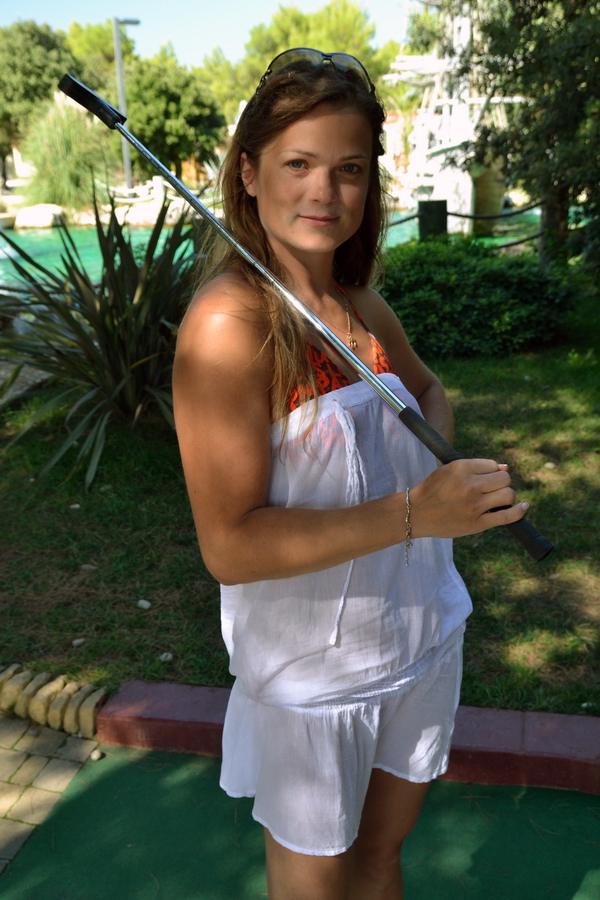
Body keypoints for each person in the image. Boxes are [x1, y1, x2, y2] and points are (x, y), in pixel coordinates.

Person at [173, 48, 528, 900]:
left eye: (349, 169)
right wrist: (415, 512)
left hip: (420, 634)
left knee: (380, 858)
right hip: (315, 679)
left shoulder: (359, 304)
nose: (324, 192)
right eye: (298, 164)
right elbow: (230, 545)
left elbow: (428, 391)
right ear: (249, 172)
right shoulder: (227, 326)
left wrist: (446, 469)